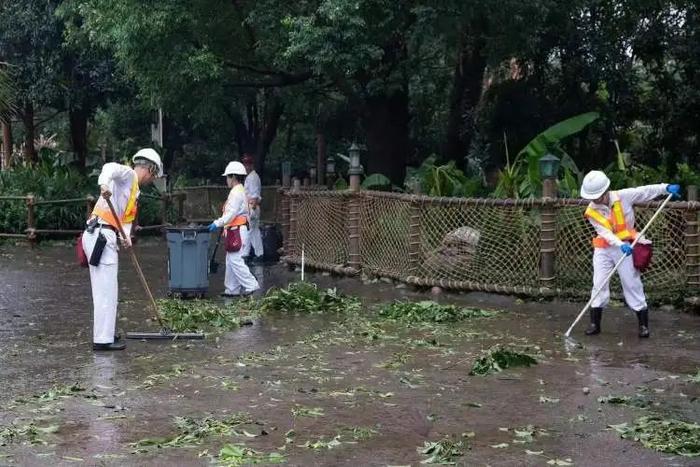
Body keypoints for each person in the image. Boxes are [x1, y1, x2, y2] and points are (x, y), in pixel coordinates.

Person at [580, 170, 681, 338]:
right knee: (599, 283)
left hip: (627, 246)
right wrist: (619, 244)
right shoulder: (591, 210)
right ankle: (594, 324)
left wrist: (666, 188)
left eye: (597, 196)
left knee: (632, 283)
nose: (595, 200)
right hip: (604, 249)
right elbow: (604, 232)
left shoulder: (623, 196)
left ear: (606, 191)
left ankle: (643, 325)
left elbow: (644, 191)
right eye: (592, 197)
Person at [82, 148, 163, 351]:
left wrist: (125, 238)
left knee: (109, 289)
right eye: (153, 176)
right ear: (149, 169)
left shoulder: (134, 190)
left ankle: (106, 334)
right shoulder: (128, 175)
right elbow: (109, 168)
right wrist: (103, 184)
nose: (151, 180)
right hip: (100, 233)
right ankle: (102, 339)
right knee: (105, 290)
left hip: (107, 234)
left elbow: (124, 220)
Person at [208, 161, 260, 297]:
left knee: (235, 260)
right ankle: (232, 289)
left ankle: (251, 285)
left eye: (227, 177)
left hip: (237, 230)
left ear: (233, 177)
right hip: (235, 229)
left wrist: (217, 223)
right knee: (230, 259)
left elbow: (230, 214)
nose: (226, 180)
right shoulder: (239, 191)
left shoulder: (236, 193)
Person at [241, 154, 264, 262]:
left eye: (248, 164)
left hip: (252, 207)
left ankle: (250, 254)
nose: (246, 166)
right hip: (250, 206)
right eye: (245, 164)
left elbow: (254, 195)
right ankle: (254, 254)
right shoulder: (250, 177)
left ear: (251, 165)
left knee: (251, 231)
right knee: (252, 231)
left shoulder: (253, 178)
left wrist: (253, 208)